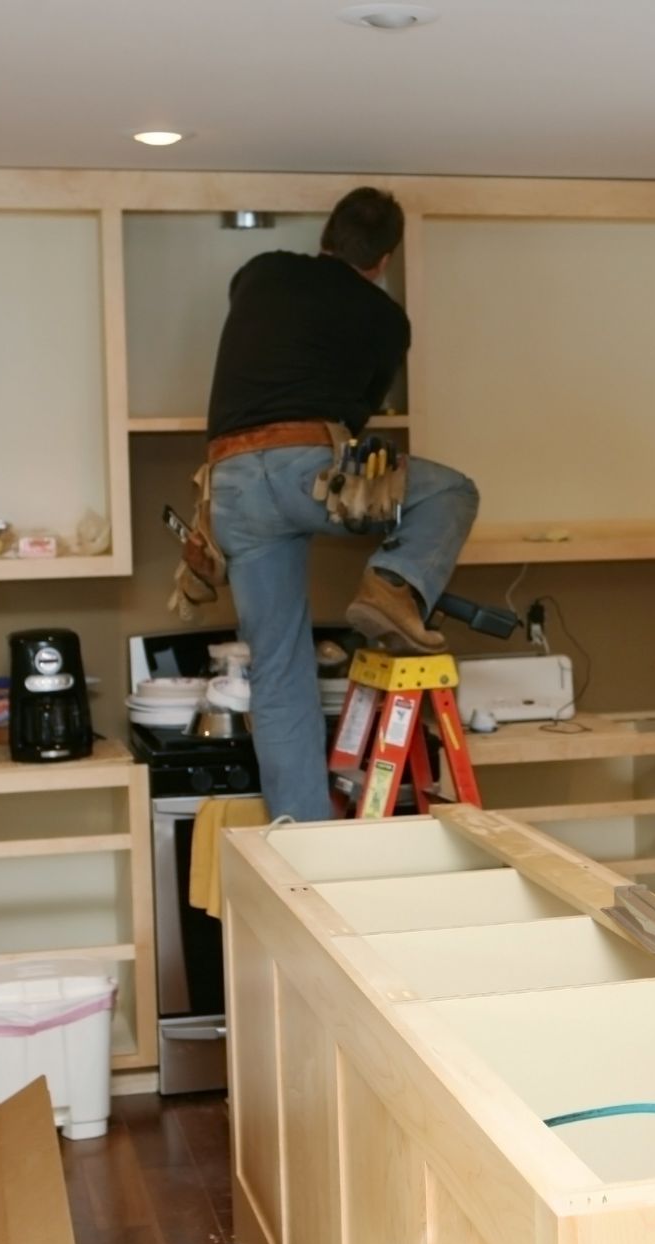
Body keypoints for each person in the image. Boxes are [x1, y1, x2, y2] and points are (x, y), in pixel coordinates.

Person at [205, 187, 478, 821]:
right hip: (306, 469)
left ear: (325, 237)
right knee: (452, 490)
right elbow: (354, 421)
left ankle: (303, 836)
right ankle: (393, 585)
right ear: (384, 258)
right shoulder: (386, 321)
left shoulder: (263, 271)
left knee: (278, 674)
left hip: (229, 486)